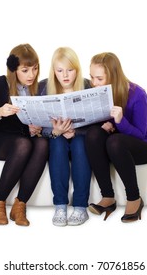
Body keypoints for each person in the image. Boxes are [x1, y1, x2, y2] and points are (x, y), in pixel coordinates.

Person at [0, 43, 48, 226]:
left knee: (42, 144)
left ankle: (20, 205)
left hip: (23, 139)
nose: (31, 75)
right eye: (25, 70)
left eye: (35, 69)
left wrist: (35, 128)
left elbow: (32, 125)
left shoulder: (37, 89)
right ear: (14, 70)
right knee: (24, 144)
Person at [85, 52, 147, 222]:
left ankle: (134, 198)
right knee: (93, 134)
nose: (94, 83)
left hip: (146, 146)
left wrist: (120, 121)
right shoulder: (100, 93)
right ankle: (108, 197)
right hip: (117, 145)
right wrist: (105, 126)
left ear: (112, 76)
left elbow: (140, 135)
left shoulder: (137, 94)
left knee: (115, 141)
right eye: (92, 78)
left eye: (99, 79)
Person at [39, 47, 92, 226]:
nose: (65, 75)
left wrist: (76, 131)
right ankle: (60, 205)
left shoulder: (88, 85)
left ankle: (80, 207)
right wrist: (55, 132)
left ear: (77, 69)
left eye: (70, 70)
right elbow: (39, 127)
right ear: (54, 71)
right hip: (56, 139)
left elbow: (98, 123)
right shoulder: (43, 87)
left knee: (79, 144)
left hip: (80, 138)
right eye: (60, 70)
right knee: (58, 144)